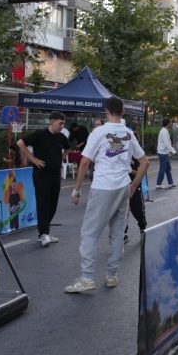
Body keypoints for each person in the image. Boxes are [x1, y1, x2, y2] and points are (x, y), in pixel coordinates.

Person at [67, 96, 147, 293]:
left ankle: (87, 278)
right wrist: (134, 186)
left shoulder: (99, 132)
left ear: (106, 111)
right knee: (118, 232)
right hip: (123, 187)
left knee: (90, 233)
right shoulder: (128, 133)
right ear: (123, 111)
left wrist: (76, 190)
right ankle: (111, 275)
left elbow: (85, 162)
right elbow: (144, 162)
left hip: (103, 186)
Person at [17, 111, 70, 247]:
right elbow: (20, 143)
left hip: (55, 175)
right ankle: (43, 234)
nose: (62, 126)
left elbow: (68, 148)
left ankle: (46, 231)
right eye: (60, 123)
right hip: (41, 176)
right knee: (43, 204)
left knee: (53, 204)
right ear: (52, 122)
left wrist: (60, 159)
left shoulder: (61, 137)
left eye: (63, 124)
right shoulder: (40, 134)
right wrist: (32, 158)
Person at [124, 155, 148, 243]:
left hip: (134, 185)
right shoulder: (118, 153)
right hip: (121, 186)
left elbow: (141, 172)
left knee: (138, 210)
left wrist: (129, 170)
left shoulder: (137, 156)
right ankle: (123, 233)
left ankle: (143, 229)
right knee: (122, 211)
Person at [156, 118, 177, 189]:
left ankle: (170, 183)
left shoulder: (164, 131)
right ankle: (158, 184)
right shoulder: (164, 132)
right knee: (163, 169)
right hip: (163, 153)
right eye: (170, 123)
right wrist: (173, 151)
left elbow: (167, 143)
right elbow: (166, 143)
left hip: (164, 152)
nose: (171, 124)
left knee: (168, 168)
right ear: (168, 124)